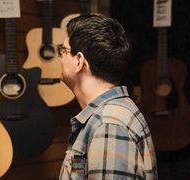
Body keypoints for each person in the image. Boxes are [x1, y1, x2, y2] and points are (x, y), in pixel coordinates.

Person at [58, 13, 157, 179]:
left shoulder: (108, 125)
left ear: (79, 61)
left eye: (63, 50)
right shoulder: (112, 114)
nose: (60, 57)